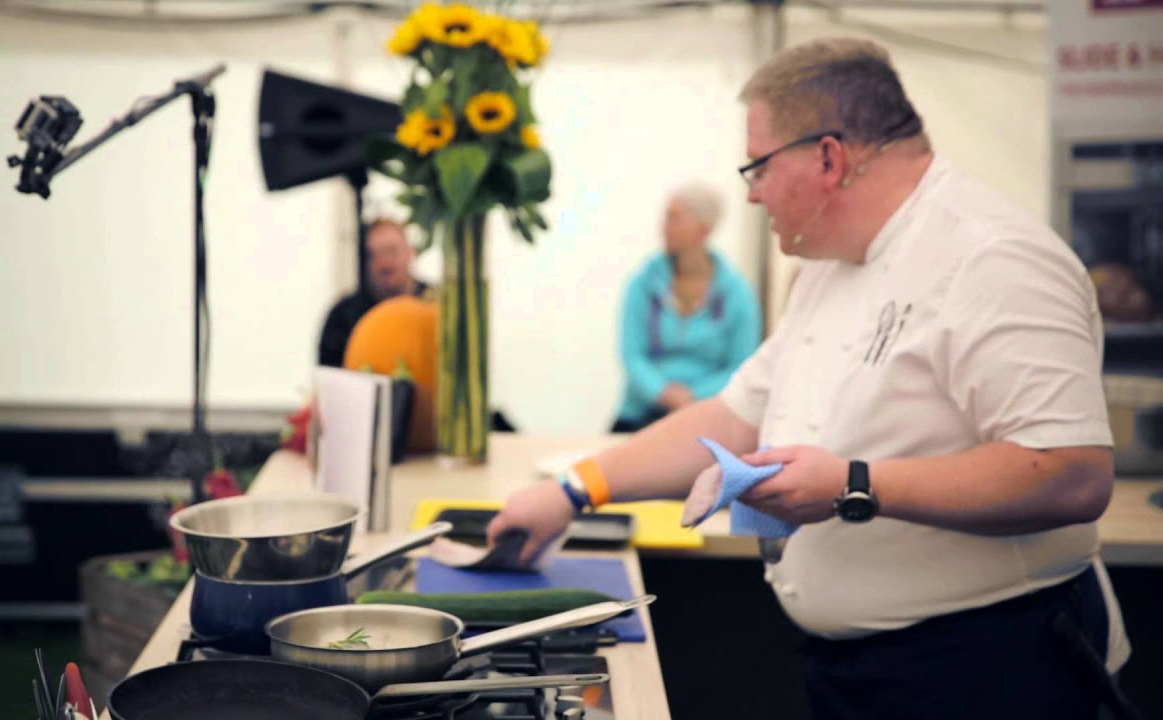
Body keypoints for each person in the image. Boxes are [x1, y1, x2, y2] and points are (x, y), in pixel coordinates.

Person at [488, 38, 1135, 720]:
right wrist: (574, 490)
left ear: (830, 156)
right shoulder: (828, 266)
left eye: (758, 166)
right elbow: (736, 417)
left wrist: (854, 486)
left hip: (990, 665)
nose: (750, 191)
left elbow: (1070, 471)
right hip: (859, 669)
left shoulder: (993, 258)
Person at [611, 184, 762, 433]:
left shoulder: (737, 294)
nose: (663, 227)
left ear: (703, 229)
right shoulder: (643, 283)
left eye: (674, 218)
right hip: (640, 414)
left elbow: (742, 366)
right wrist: (664, 392)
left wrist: (691, 396)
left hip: (706, 416)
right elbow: (632, 355)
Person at [317, 218, 428, 368]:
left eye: (391, 251)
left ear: (411, 252)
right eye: (374, 254)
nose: (385, 262)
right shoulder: (343, 316)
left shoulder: (436, 305)